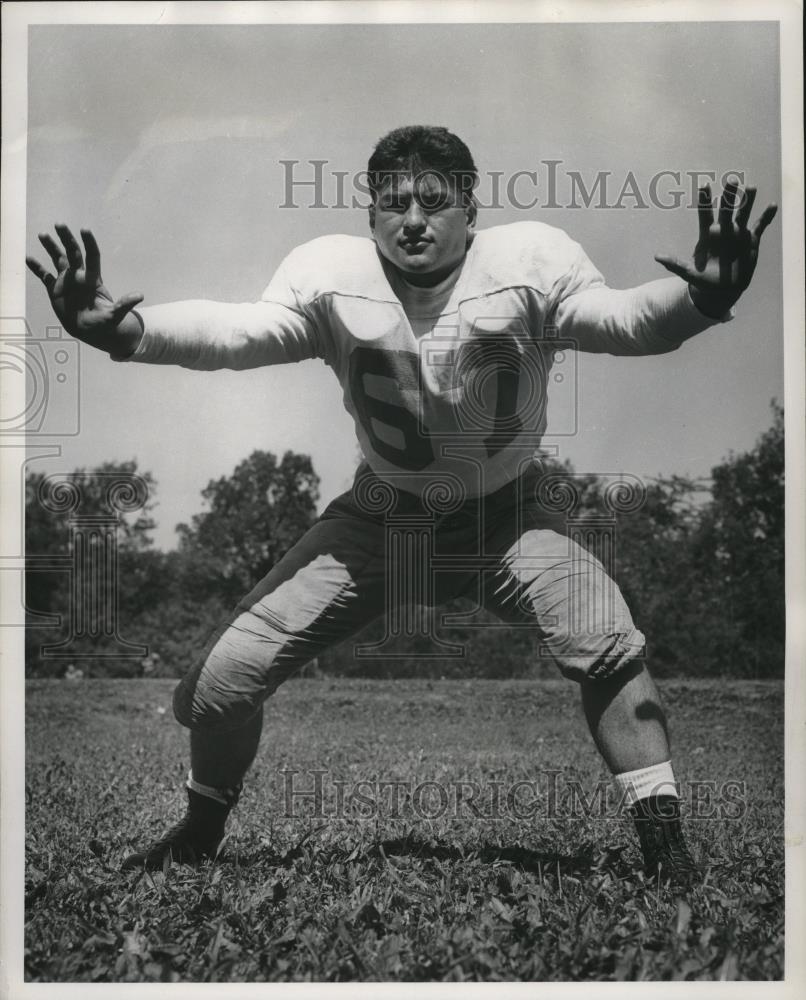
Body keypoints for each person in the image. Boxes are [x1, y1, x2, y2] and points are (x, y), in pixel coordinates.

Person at [27, 125, 777, 887]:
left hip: (504, 514)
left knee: (605, 635)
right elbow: (238, 332)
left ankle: (666, 849)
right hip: (383, 516)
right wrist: (125, 332)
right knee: (224, 682)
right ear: (369, 213)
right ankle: (199, 828)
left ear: (469, 208)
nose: (412, 218)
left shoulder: (528, 264)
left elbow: (623, 319)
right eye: (393, 203)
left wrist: (700, 300)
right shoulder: (333, 279)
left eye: (432, 200)